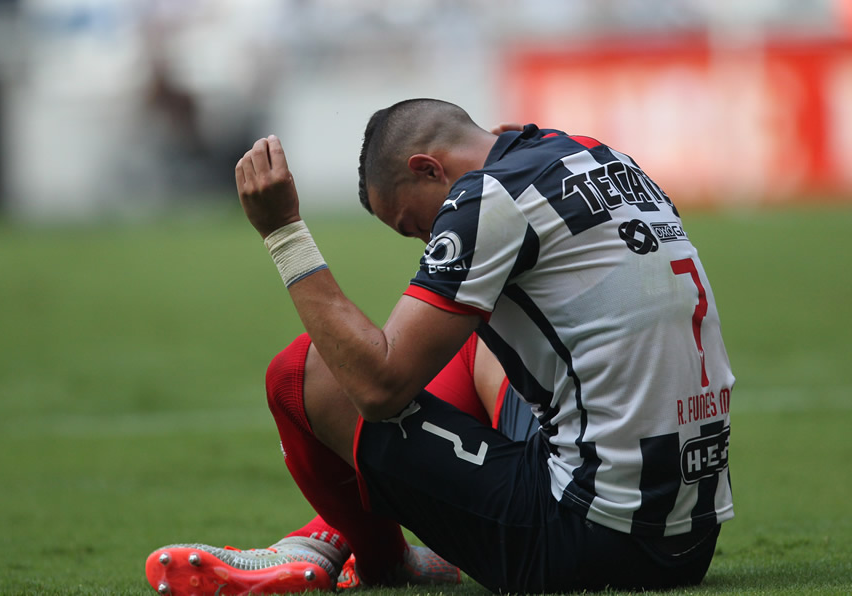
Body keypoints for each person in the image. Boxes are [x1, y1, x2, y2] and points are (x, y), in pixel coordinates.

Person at [154, 98, 735, 594]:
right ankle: (325, 535)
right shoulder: (596, 153)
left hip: (588, 540)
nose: (428, 241)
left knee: (302, 373)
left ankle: (382, 560)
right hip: (689, 537)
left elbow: (379, 387)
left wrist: (284, 234)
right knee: (470, 336)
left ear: (430, 169)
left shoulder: (486, 198)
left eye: (418, 226)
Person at [146, 332, 536, 595]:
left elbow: (382, 375)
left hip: (546, 525)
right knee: (483, 334)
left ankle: (338, 543)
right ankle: (360, 549)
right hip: (566, 504)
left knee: (300, 371)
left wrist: (285, 235)